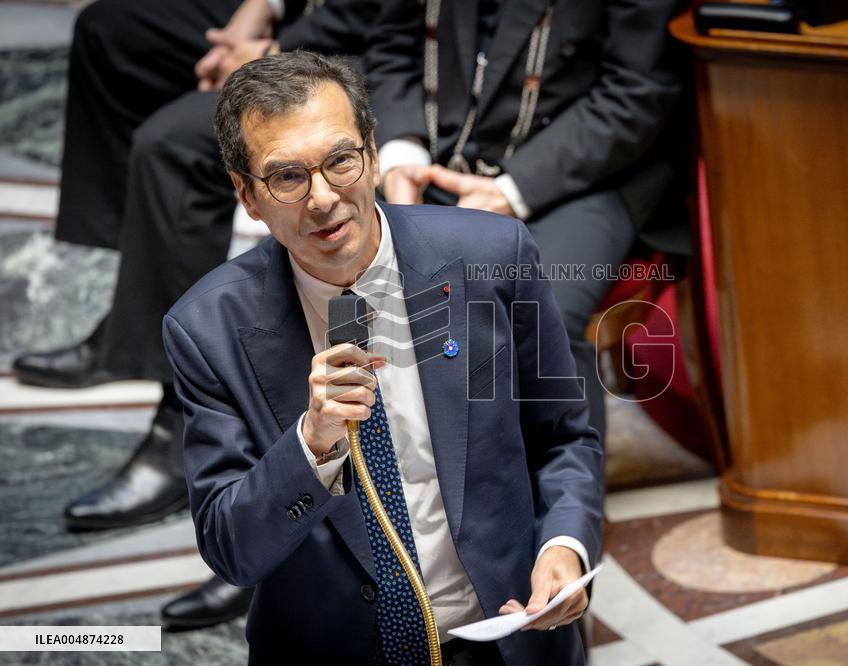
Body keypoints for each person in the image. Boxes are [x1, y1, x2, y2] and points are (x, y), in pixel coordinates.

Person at [163, 51, 603, 662]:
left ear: (372, 154)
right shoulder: (206, 329)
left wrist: (564, 545)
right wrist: (310, 446)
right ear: (247, 195)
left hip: (507, 638)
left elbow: (564, 441)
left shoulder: (493, 256)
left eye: (341, 160)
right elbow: (232, 550)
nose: (322, 199)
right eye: (287, 177)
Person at [10, 0, 377, 628]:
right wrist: (254, 13)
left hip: (357, 42)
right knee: (110, 32)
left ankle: (181, 421)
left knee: (171, 150)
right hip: (295, 19)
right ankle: (136, 318)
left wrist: (268, 57)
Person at [365, 0, 682, 443]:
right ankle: (394, 488)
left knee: (535, 310)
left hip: (583, 171)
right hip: (430, 153)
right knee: (343, 286)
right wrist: (401, 156)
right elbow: (390, 46)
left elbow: (637, 90)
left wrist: (509, 191)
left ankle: (564, 506)